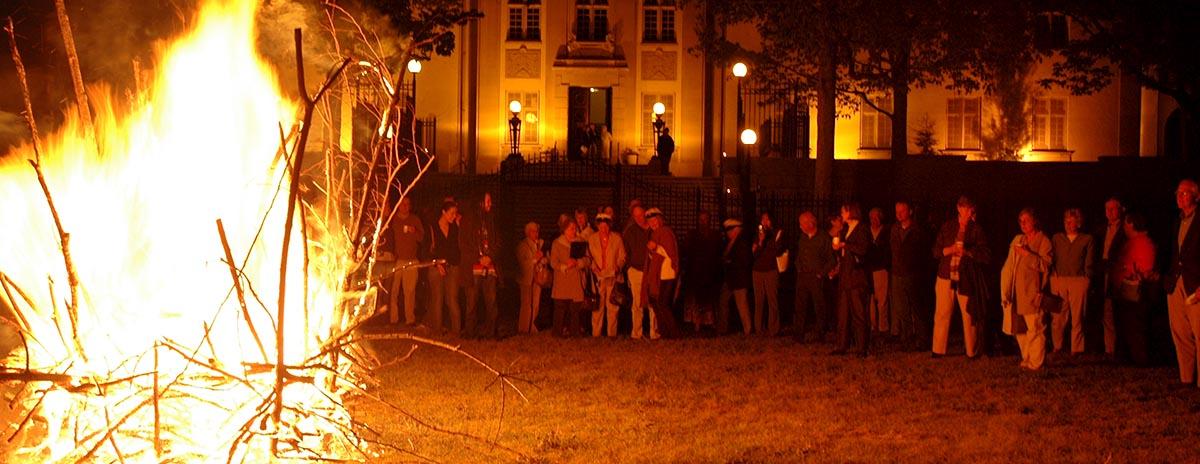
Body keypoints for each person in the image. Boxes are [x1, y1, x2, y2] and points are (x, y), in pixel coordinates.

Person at [931, 196, 991, 359]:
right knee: (942, 312)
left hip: (965, 277)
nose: (968, 211)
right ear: (959, 208)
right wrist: (948, 250)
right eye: (965, 208)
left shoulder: (976, 229)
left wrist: (969, 252)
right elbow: (936, 251)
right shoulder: (948, 226)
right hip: (946, 275)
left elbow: (986, 254)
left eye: (971, 208)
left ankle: (972, 351)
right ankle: (938, 350)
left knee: (968, 313)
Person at [1000, 208, 1054, 371]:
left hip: (1033, 292)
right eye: (1020, 221)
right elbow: (1009, 266)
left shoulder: (1044, 241)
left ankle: (1036, 362)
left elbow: (1046, 265)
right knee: (1020, 329)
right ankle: (1027, 357)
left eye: (1026, 220)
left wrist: (1027, 254)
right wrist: (1006, 289)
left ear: (1035, 221)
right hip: (1017, 292)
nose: (1023, 224)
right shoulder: (1019, 239)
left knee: (1035, 327)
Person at [1166, 179, 1200, 388]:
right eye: (1178, 193)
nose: (1180, 197)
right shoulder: (1177, 221)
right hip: (1176, 282)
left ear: (1196, 196)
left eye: (1185, 193)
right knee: (1180, 331)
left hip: (1195, 283)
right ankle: (1186, 378)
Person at [1112, 212, 1156, 366]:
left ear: (1131, 224)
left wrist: (1130, 273)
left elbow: (1145, 268)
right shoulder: (1132, 242)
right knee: (1128, 326)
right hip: (1125, 292)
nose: (1123, 227)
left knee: (1135, 327)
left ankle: (1140, 359)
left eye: (1125, 223)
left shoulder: (1143, 243)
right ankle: (1129, 357)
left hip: (1134, 293)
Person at [1049, 208, 1094, 356]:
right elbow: (1052, 257)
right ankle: (1057, 346)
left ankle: (1077, 348)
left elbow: (1089, 260)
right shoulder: (1057, 238)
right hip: (1059, 279)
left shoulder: (1086, 239)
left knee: (1077, 316)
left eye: (1071, 221)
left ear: (1079, 223)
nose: (1068, 224)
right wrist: (1053, 275)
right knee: (1058, 316)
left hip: (1078, 280)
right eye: (1066, 221)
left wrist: (1087, 278)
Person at [832, 202, 872, 357]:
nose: (842, 214)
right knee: (843, 314)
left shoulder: (861, 229)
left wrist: (845, 245)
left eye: (844, 212)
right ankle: (841, 345)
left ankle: (862, 347)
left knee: (859, 314)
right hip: (845, 277)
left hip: (856, 278)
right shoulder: (846, 230)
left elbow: (863, 249)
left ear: (851, 212)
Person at [889, 201, 928, 349]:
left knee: (917, 308)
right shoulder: (894, 229)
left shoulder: (917, 231)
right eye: (897, 211)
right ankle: (906, 338)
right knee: (901, 307)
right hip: (897, 273)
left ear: (910, 211)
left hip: (912, 274)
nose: (899, 214)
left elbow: (922, 253)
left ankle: (922, 339)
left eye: (902, 211)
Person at [462, 192, 501, 339]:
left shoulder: (492, 220)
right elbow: (464, 244)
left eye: (490, 201)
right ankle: (470, 332)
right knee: (471, 302)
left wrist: (490, 256)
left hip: (490, 269)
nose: (490, 204)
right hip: (474, 269)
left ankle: (491, 332)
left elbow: (499, 241)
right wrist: (478, 258)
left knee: (491, 302)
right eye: (488, 201)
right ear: (480, 203)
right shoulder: (468, 220)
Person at [794, 211, 835, 342]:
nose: (800, 226)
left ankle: (821, 333)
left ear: (810, 223)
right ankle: (799, 333)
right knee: (800, 305)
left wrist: (821, 273)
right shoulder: (803, 237)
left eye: (802, 224)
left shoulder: (823, 237)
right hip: (803, 276)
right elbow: (799, 255)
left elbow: (831, 259)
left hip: (816, 277)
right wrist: (799, 267)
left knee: (819, 305)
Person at [1096, 197, 1127, 359]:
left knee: (1121, 310)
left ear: (1121, 209)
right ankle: (1110, 349)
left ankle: (1122, 348)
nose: (1109, 212)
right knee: (1107, 311)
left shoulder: (1126, 228)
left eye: (1113, 209)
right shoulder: (1102, 230)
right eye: (1107, 209)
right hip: (1105, 274)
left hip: (1121, 274)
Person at [426, 201, 462, 336]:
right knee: (437, 299)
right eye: (452, 213)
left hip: (452, 267)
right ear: (443, 212)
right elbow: (426, 250)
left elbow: (459, 248)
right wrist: (436, 263)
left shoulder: (455, 228)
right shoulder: (432, 228)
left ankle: (456, 332)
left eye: (456, 213)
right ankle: (437, 331)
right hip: (436, 267)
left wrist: (460, 226)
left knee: (452, 299)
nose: (454, 216)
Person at [683, 211, 722, 333]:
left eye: (705, 219)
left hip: (709, 272)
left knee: (708, 301)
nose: (703, 222)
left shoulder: (714, 235)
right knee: (696, 301)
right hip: (695, 272)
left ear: (709, 220)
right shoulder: (693, 235)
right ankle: (696, 324)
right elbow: (688, 252)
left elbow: (717, 253)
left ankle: (709, 323)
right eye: (701, 219)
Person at [588, 212, 626, 337]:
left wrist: (618, 266)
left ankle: (611, 335)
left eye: (606, 226)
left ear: (609, 226)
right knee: (597, 306)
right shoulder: (592, 239)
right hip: (598, 277)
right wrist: (593, 266)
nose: (603, 229)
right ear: (598, 226)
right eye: (601, 226)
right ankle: (596, 334)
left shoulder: (617, 238)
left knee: (612, 306)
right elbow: (588, 256)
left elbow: (622, 256)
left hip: (612, 276)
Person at [644, 208, 680, 339]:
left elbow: (670, 253)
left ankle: (674, 333)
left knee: (663, 304)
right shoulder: (655, 234)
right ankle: (665, 333)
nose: (653, 224)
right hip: (660, 275)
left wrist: (656, 248)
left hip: (667, 274)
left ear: (659, 220)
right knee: (658, 304)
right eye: (650, 221)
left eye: (654, 220)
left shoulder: (665, 232)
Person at [388, 196, 424, 326]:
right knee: (394, 291)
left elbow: (421, 238)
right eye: (403, 204)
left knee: (410, 292)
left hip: (411, 260)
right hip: (397, 260)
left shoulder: (414, 219)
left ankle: (410, 319)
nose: (406, 207)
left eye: (408, 204)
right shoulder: (393, 220)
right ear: (398, 205)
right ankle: (393, 319)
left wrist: (414, 231)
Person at [551, 220, 589, 337]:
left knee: (575, 309)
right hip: (562, 280)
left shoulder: (580, 242)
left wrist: (578, 262)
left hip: (576, 280)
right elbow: (553, 262)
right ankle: (558, 332)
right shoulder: (557, 243)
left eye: (574, 228)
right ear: (564, 230)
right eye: (571, 228)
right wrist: (565, 265)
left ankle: (575, 332)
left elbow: (587, 259)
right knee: (560, 308)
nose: (574, 231)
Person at [752, 212, 786, 336]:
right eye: (762, 219)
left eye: (767, 219)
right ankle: (759, 328)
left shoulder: (777, 233)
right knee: (759, 301)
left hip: (771, 270)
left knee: (772, 300)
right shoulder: (758, 234)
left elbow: (778, 250)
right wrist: (761, 241)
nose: (764, 221)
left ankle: (773, 329)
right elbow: (754, 254)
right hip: (757, 271)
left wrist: (768, 240)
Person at [624, 205, 655, 339]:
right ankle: (637, 332)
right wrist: (629, 267)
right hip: (636, 270)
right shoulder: (631, 232)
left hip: (651, 270)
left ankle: (654, 331)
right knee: (637, 302)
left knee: (653, 301)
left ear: (645, 214)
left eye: (640, 215)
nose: (638, 218)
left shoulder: (653, 230)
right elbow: (626, 251)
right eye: (635, 216)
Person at [718, 219, 754, 335]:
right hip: (731, 279)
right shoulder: (730, 242)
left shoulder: (741, 243)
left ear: (737, 230)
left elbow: (744, 261)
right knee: (724, 302)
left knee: (742, 305)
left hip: (739, 279)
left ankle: (747, 329)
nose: (728, 233)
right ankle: (723, 328)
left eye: (730, 230)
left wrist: (730, 262)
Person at [516, 221, 545, 334]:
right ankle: (523, 328)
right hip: (526, 278)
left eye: (537, 231)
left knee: (536, 303)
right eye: (533, 231)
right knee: (526, 304)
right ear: (528, 233)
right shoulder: (522, 245)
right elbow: (521, 262)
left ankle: (533, 327)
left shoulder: (540, 244)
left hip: (537, 277)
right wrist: (534, 259)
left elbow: (546, 258)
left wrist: (542, 260)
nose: (536, 233)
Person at [866, 207, 892, 336]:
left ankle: (883, 327)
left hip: (881, 269)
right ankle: (873, 326)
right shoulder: (866, 232)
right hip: (869, 269)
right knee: (871, 300)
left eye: (876, 217)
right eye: (872, 218)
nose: (874, 220)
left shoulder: (886, 232)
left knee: (882, 300)